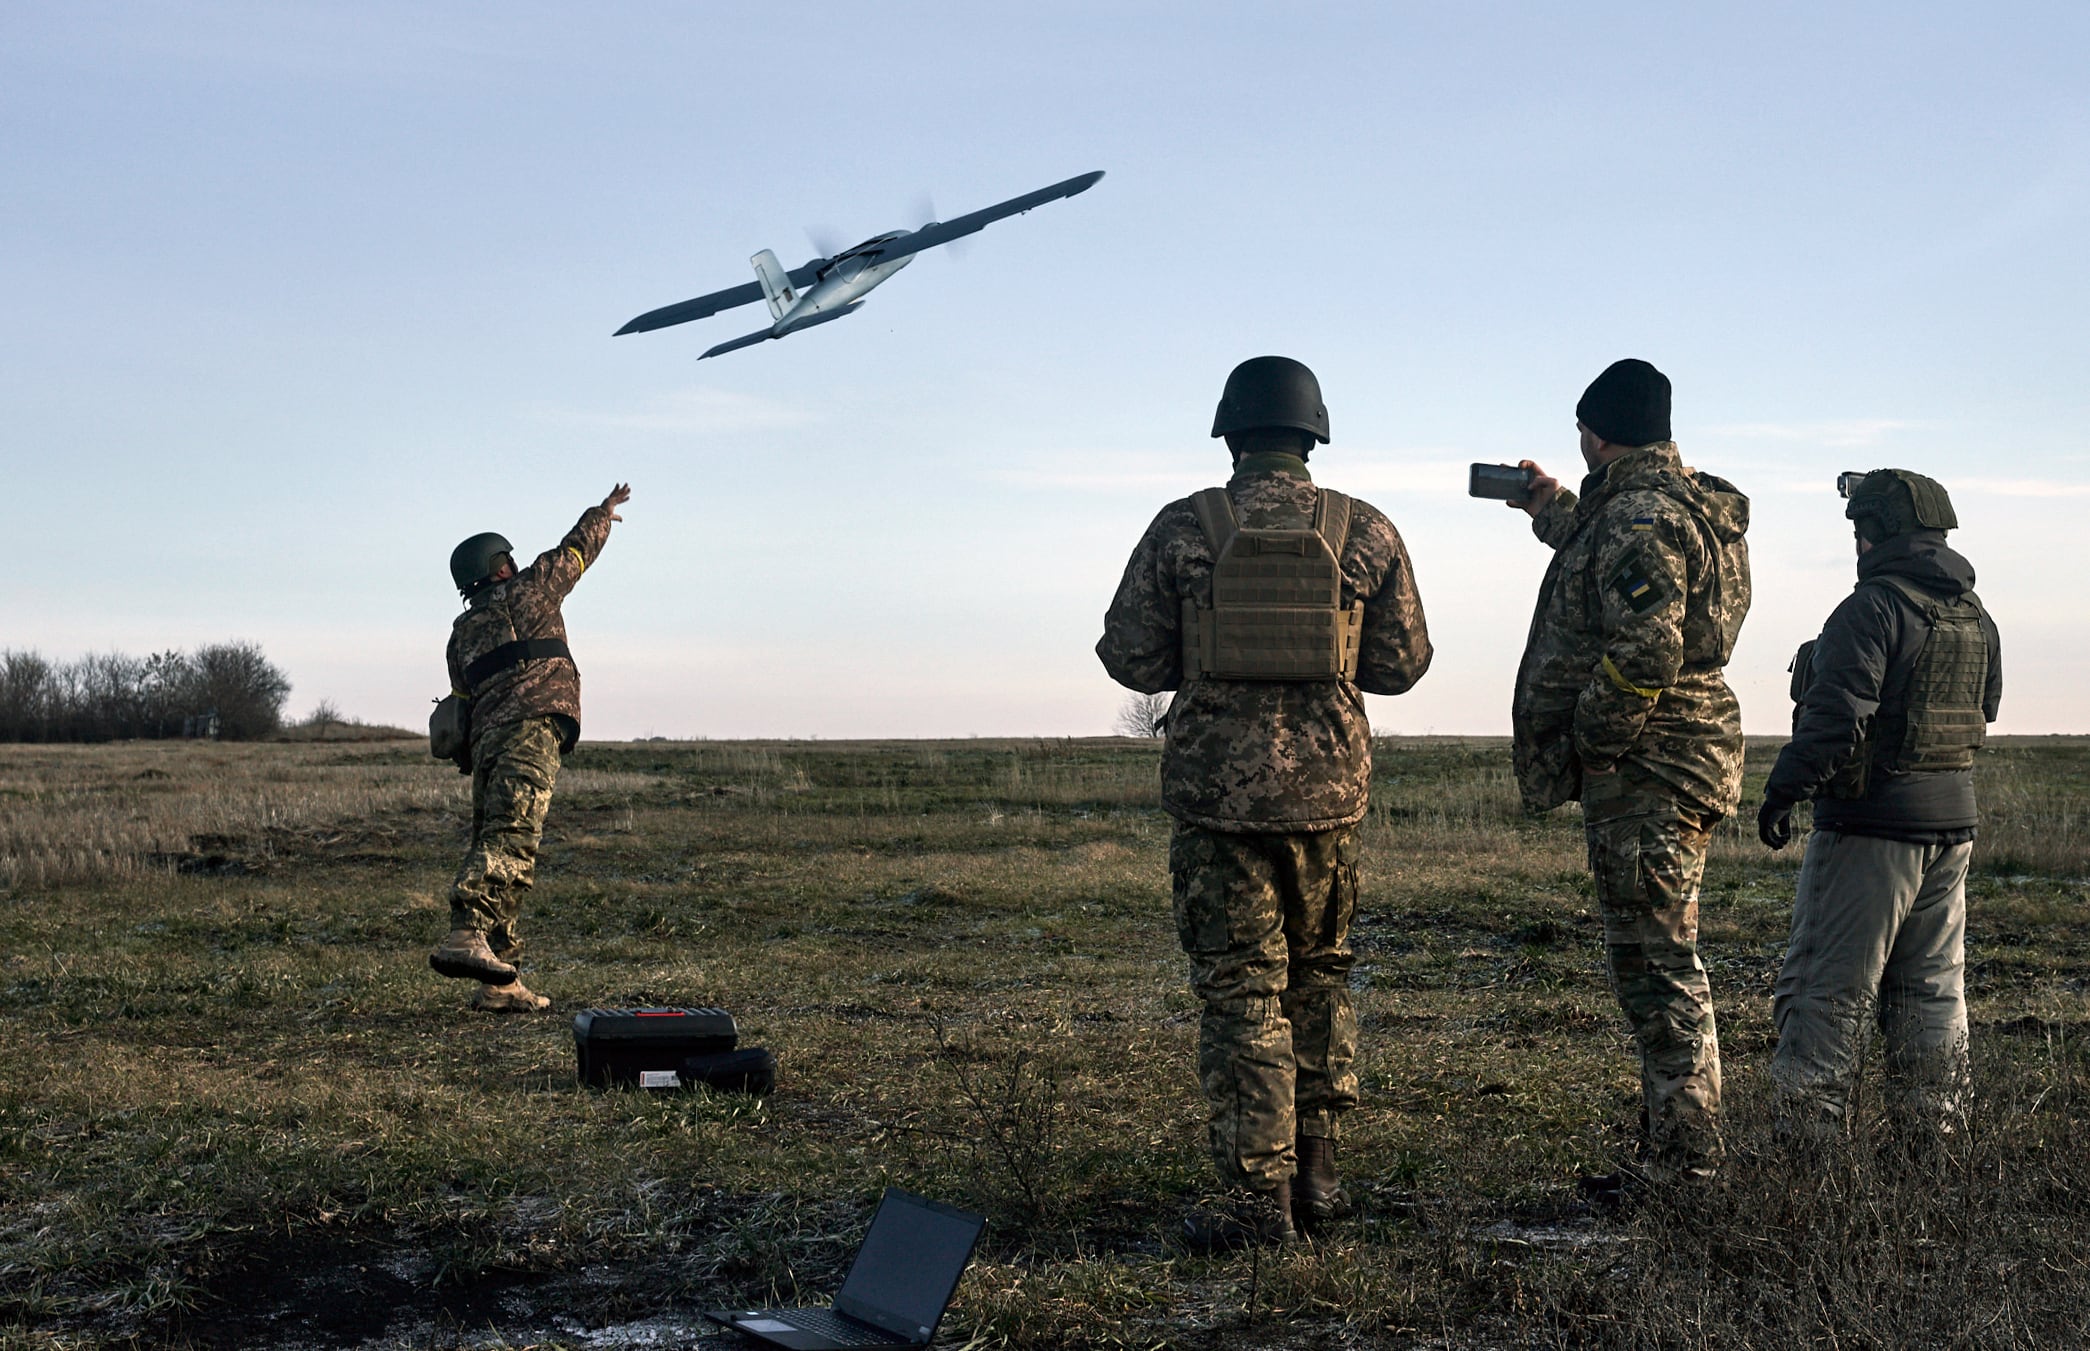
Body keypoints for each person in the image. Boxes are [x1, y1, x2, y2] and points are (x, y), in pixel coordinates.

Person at [1097, 356, 1432, 1246]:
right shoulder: (1367, 530)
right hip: (1329, 802)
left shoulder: (1184, 527)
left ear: (1232, 434)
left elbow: (1130, 657)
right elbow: (1401, 666)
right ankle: (1319, 1172)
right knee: (1321, 973)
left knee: (1243, 989)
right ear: (1312, 435)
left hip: (1217, 806)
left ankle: (1259, 1199)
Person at [1509, 359, 1750, 1192]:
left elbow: (1647, 643)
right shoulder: (1672, 505)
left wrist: (1591, 739)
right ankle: (1672, 1144)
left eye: (1582, 428)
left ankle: (1688, 1166)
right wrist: (1549, 509)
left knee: (1657, 963)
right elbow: (1609, 558)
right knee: (1654, 956)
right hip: (1681, 755)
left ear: (1599, 429)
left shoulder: (1641, 515)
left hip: (1649, 766)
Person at [1757, 470, 2000, 1141]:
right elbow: (1988, 708)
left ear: (1874, 533)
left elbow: (1835, 721)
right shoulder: (1974, 614)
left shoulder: (1871, 608)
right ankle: (1935, 1152)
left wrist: (1784, 791)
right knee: (1931, 993)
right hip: (1952, 830)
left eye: (1859, 530)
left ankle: (1806, 1162)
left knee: (1824, 994)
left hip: (1870, 829)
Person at [427, 484, 630, 1013]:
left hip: (489, 744)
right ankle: (466, 927)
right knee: (513, 840)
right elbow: (577, 550)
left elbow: (463, 702)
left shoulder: (461, 633)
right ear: (499, 567)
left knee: (503, 844)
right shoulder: (533, 589)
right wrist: (603, 513)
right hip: (531, 728)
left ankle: (500, 978)